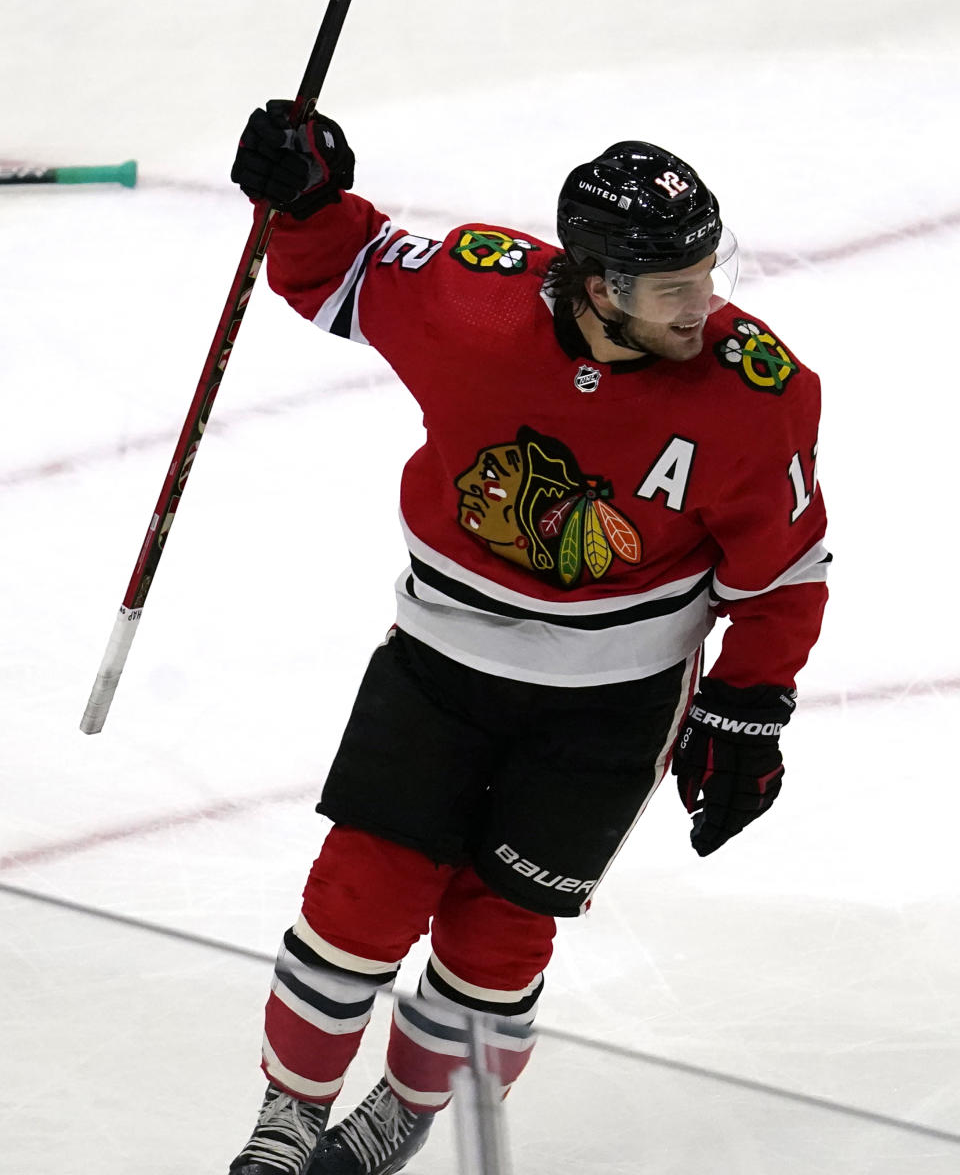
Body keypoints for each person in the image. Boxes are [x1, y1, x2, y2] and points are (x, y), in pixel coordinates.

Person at [227, 101, 829, 1175]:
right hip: (441, 662)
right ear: (599, 288)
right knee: (360, 896)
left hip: (615, 704)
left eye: (707, 273)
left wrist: (751, 702)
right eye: (675, 288)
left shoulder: (755, 393)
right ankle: (289, 1117)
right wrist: (306, 196)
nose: (708, 306)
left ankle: (402, 1115)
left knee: (495, 937)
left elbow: (783, 572)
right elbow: (341, 269)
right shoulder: (472, 293)